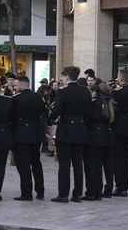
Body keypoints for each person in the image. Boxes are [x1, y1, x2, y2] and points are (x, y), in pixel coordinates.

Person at [48, 67, 90, 203]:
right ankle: (77, 194)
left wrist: (53, 117)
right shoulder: (85, 91)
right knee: (78, 163)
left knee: (64, 164)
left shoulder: (63, 92)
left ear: (66, 77)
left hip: (66, 128)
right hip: (80, 128)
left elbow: (56, 111)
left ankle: (63, 194)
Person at [10, 75, 46, 201]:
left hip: (21, 134)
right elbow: (43, 111)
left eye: (16, 85)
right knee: (36, 163)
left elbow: (12, 116)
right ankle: (40, 190)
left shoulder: (16, 98)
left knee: (24, 165)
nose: (15, 87)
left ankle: (26, 193)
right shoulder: (38, 97)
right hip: (35, 133)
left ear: (22, 85)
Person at [110, 72, 128, 197]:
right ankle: (125, 186)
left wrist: (114, 86)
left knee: (118, 158)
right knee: (126, 158)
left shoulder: (117, 93)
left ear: (121, 79)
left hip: (119, 126)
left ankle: (120, 186)